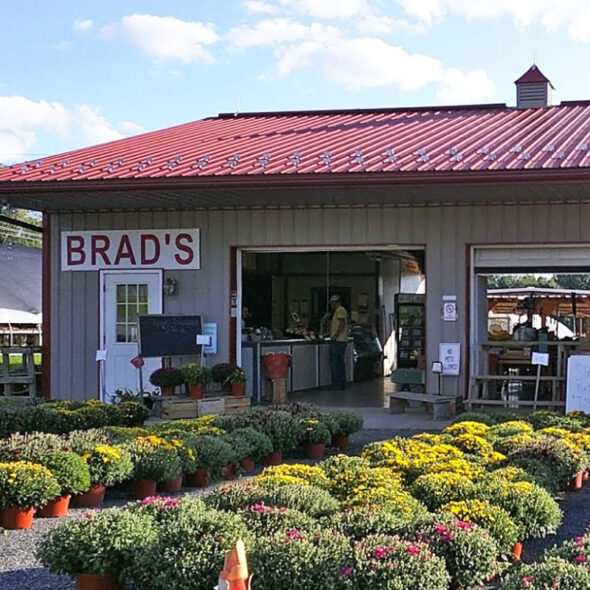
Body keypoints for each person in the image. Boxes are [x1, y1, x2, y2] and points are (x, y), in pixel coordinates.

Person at [329, 294, 349, 390]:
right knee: (339, 362)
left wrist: (336, 335)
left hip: (339, 340)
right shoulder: (338, 311)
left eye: (332, 303)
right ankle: (340, 383)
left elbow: (341, 323)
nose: (331, 305)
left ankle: (337, 384)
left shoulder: (340, 310)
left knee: (336, 362)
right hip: (339, 340)